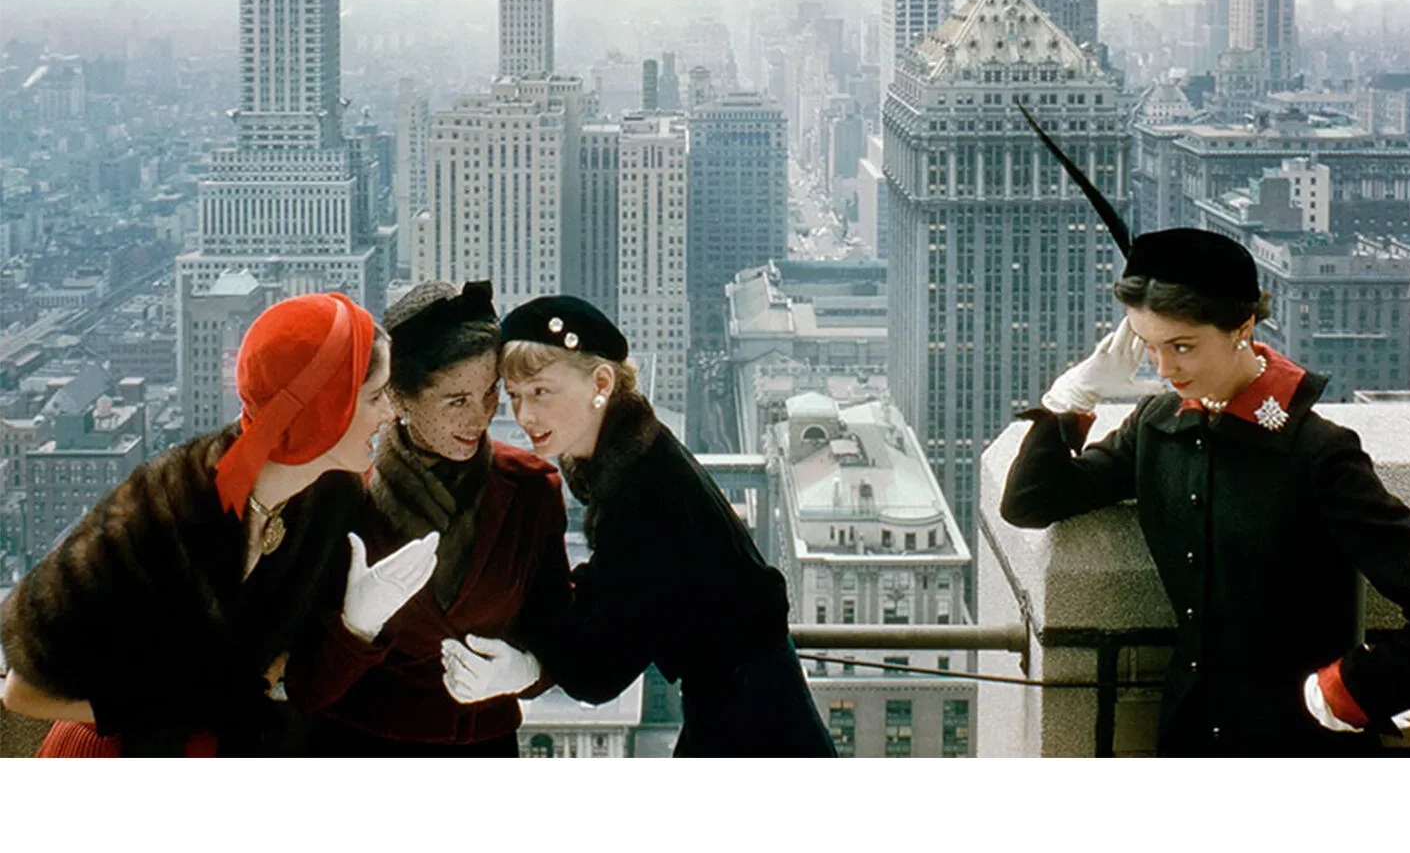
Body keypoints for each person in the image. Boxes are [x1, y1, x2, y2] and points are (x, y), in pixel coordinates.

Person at [1001, 225, 1410, 756]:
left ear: (1242, 328)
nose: (1164, 369)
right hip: (1189, 737)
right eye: (1148, 347)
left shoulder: (1317, 454)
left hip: (1300, 745)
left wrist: (1348, 692)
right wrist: (1074, 395)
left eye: (1182, 347)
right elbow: (1031, 502)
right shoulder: (1159, 425)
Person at [0, 292, 439, 756]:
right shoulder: (161, 513)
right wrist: (186, 704)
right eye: (375, 396)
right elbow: (23, 691)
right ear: (323, 409)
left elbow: (303, 683)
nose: (391, 413)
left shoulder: (332, 501)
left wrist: (357, 627)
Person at [438, 294, 837, 757]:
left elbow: (597, 675)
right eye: (515, 396)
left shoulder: (642, 496)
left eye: (541, 391)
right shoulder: (640, 458)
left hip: (752, 727)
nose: (525, 415)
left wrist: (526, 611)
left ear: (601, 382)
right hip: (752, 704)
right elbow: (619, 583)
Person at [286, 280, 571, 755]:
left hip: (486, 750)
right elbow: (304, 686)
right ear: (400, 398)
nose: (480, 418)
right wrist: (355, 630)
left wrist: (527, 672)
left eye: (490, 393)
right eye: (456, 401)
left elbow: (559, 637)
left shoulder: (532, 490)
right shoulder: (342, 495)